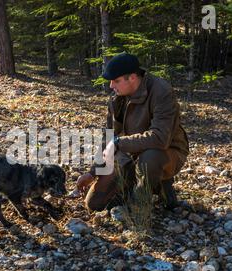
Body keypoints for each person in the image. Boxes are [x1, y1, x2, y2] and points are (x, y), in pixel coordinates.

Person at [76, 52, 189, 212]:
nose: (111, 86)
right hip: (129, 153)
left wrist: (119, 143)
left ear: (133, 78)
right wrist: (92, 172)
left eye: (116, 81)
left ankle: (144, 201)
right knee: (95, 204)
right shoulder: (117, 97)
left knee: (150, 157)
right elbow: (109, 136)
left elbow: (160, 138)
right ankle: (133, 186)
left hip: (166, 152)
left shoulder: (161, 91)